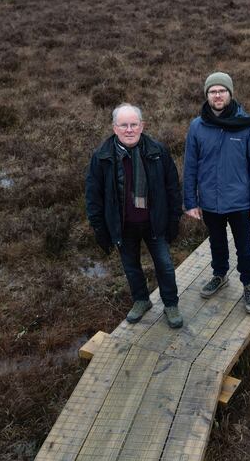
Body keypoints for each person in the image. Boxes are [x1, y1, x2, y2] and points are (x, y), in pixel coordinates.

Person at [85, 103, 184, 328]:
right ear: (114, 128)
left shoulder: (158, 151)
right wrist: (100, 228)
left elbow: (172, 188)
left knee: (165, 265)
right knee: (131, 266)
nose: (129, 130)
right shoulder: (102, 157)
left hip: (154, 223)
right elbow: (93, 196)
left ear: (142, 126)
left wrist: (174, 219)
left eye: (133, 124)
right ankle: (141, 300)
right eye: (124, 125)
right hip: (123, 226)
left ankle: (171, 304)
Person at [183, 72, 250, 314]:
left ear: (230, 94)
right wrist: (190, 201)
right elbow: (190, 166)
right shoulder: (197, 126)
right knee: (216, 242)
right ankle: (219, 275)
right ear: (207, 96)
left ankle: (249, 284)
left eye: (222, 91)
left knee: (244, 246)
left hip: (240, 201)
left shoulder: (247, 126)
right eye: (212, 91)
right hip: (209, 201)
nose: (217, 95)